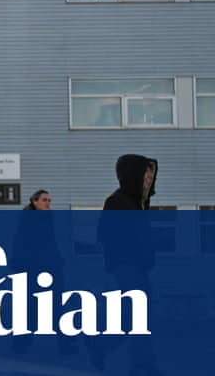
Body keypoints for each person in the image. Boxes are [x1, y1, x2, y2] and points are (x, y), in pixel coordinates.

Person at [88, 154, 162, 376]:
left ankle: (100, 345)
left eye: (151, 174)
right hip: (126, 265)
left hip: (137, 265)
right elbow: (104, 233)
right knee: (138, 312)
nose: (148, 178)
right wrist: (130, 250)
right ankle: (140, 363)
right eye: (144, 173)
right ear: (132, 175)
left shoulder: (138, 203)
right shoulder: (117, 201)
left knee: (135, 314)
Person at [10, 190, 76, 355]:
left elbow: (50, 244)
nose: (48, 203)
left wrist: (57, 261)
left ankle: (63, 343)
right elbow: (20, 244)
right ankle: (22, 342)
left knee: (54, 306)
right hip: (36, 268)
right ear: (35, 202)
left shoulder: (46, 219)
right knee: (32, 306)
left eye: (49, 200)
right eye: (44, 200)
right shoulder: (29, 220)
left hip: (51, 266)